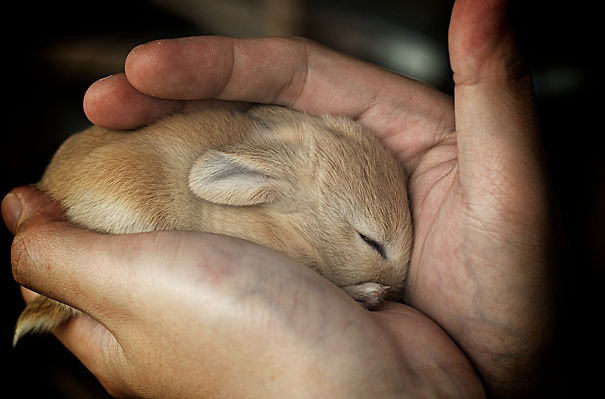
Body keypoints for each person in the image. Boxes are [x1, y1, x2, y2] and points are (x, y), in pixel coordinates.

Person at [2, 0, 554, 397]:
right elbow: (216, 199)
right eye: (371, 241)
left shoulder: (303, 173)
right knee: (132, 194)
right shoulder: (250, 198)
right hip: (115, 189)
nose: (397, 279)